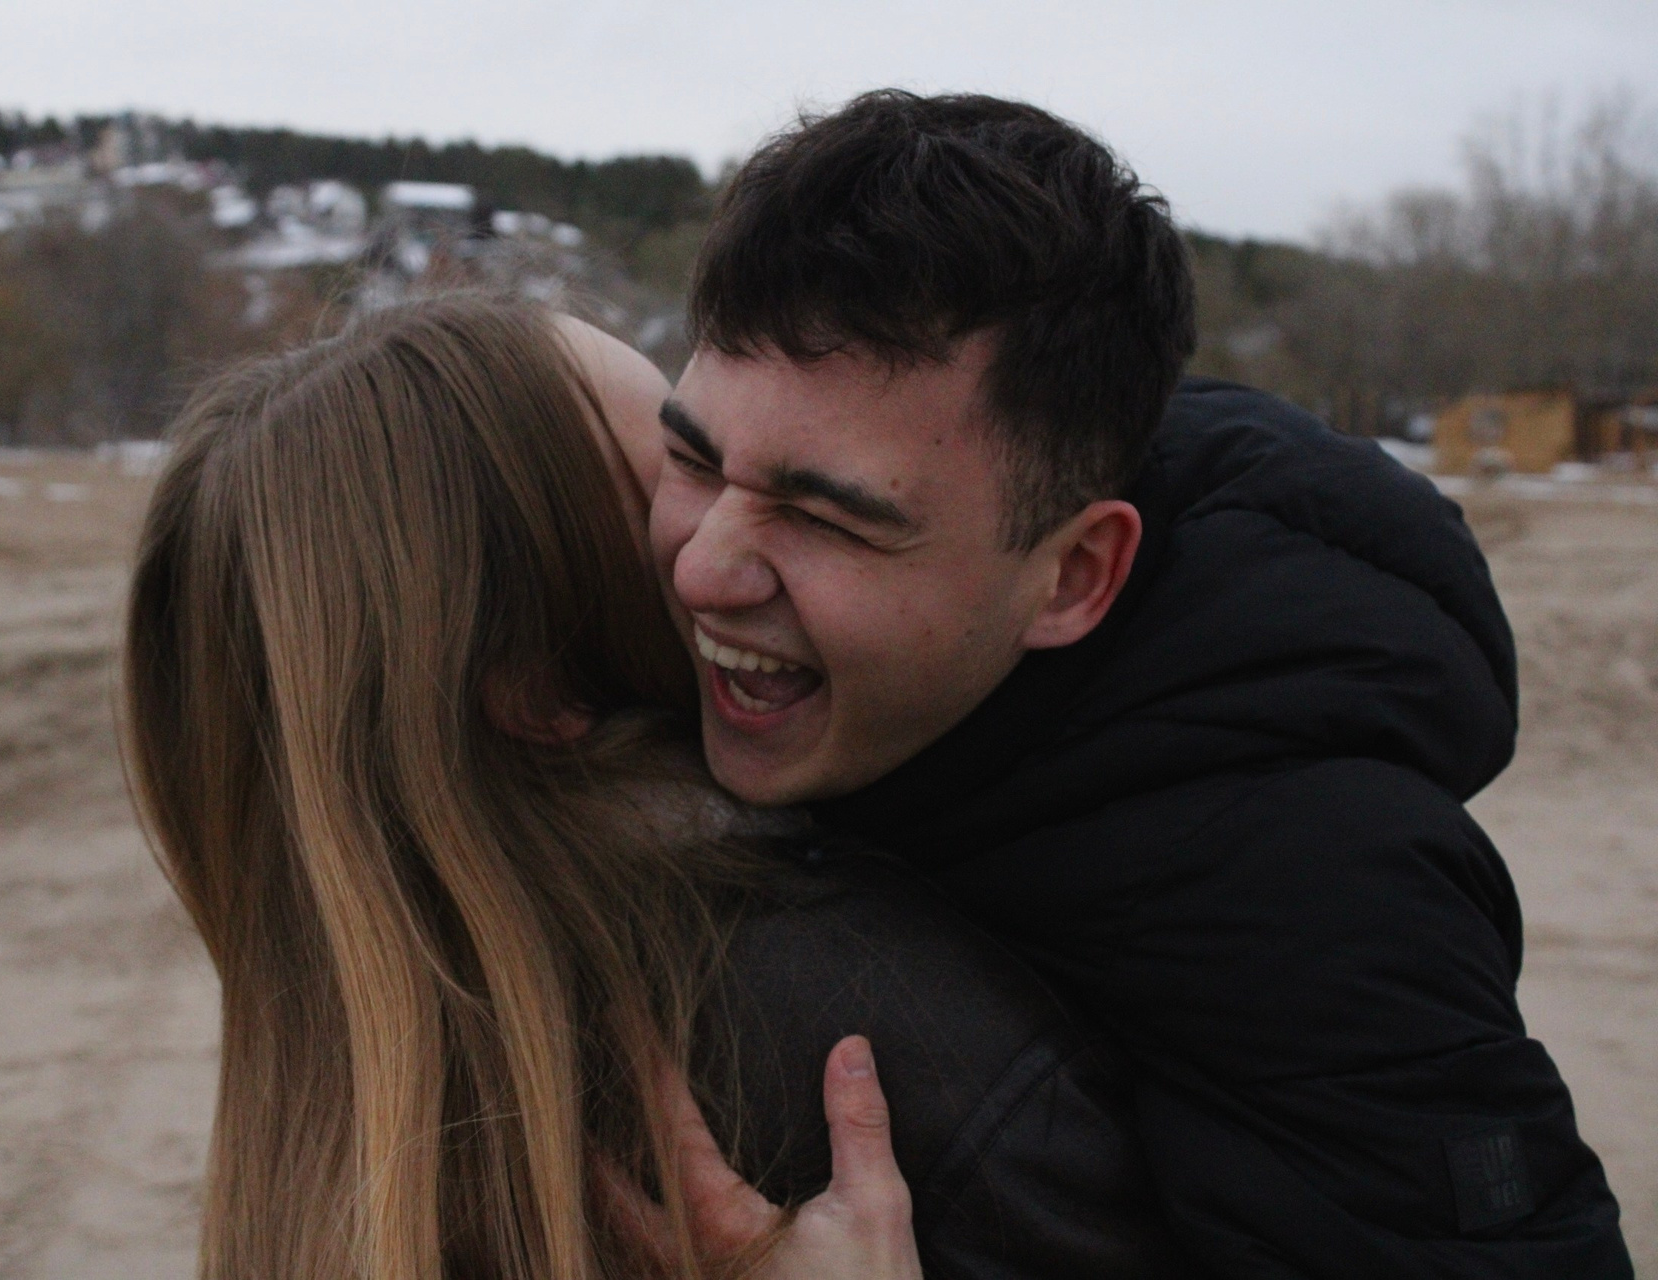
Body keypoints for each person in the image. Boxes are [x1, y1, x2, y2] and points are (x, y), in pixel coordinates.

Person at [643, 89, 1634, 1276]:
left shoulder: (1311, 899)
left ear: (1072, 575)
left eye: (826, 518)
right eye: (692, 458)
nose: (701, 571)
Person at [120, 294, 1185, 1279]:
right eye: (682, 467)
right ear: (538, 687)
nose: (722, 544)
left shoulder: (365, 1064)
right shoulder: (886, 1043)